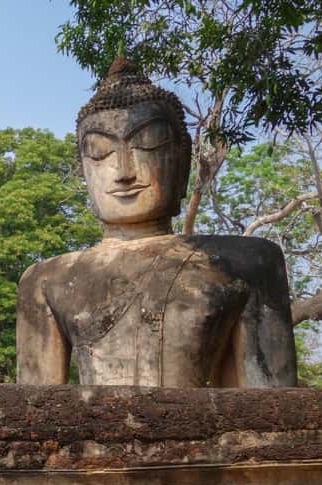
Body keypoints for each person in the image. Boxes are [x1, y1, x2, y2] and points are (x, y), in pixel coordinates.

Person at [16, 59, 297, 387]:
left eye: (147, 144)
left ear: (182, 164)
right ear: (83, 170)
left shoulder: (247, 264)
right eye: (100, 151)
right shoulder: (46, 280)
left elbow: (267, 410)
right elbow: (37, 410)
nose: (124, 171)